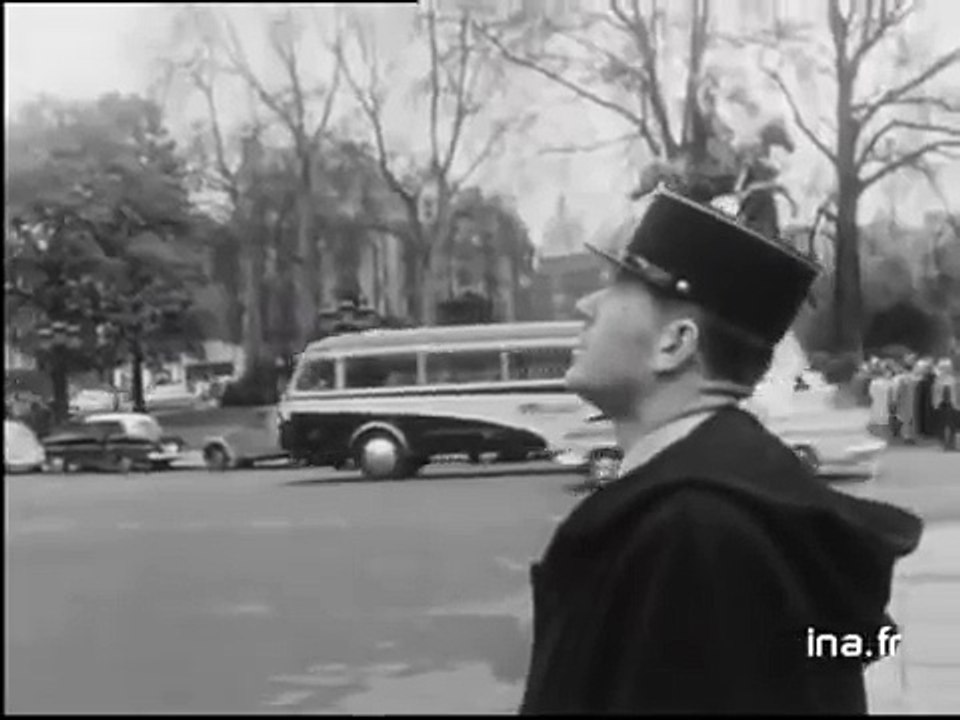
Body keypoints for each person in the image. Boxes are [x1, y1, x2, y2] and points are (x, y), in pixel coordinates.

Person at [519, 186, 923, 715]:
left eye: (618, 285)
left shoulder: (692, 527)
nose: (584, 305)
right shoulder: (730, 499)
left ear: (676, 344)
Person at [932, 358, 959, 451]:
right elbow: (935, 393)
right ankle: (943, 444)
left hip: (952, 404)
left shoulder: (954, 379)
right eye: (943, 367)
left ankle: (951, 444)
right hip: (941, 404)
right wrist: (935, 403)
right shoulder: (937, 380)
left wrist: (957, 404)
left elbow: (957, 392)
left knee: (952, 425)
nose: (945, 369)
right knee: (941, 425)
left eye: (947, 367)